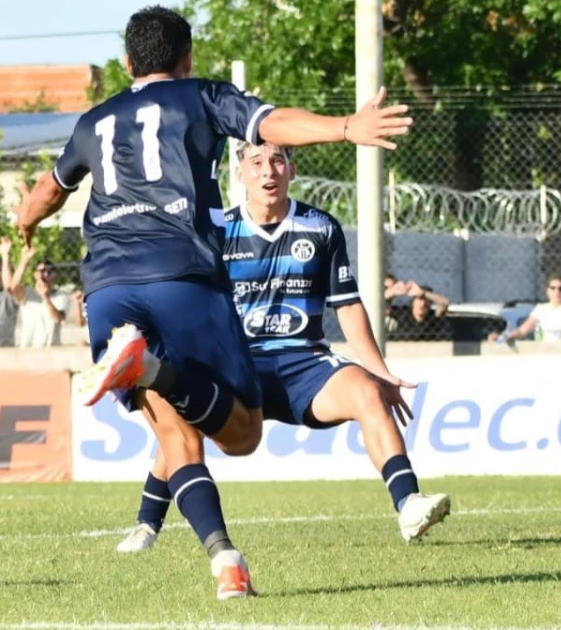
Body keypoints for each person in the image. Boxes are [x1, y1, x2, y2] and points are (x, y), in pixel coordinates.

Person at [13, 5, 412, 599]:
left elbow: (49, 190)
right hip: (182, 276)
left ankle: (226, 561)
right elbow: (274, 123)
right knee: (243, 435)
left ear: (126, 63)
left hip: (108, 290)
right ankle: (151, 370)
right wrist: (346, 127)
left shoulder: (93, 122)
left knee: (176, 438)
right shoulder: (200, 96)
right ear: (188, 57)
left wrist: (24, 221)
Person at [115, 141, 449, 555]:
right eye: (256, 162)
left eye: (277, 160)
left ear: (292, 169)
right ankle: (147, 524)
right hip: (238, 365)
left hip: (305, 364)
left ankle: (409, 503)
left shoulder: (321, 227)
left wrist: (381, 372)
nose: (268, 171)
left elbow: (347, 306)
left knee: (367, 391)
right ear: (240, 173)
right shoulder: (217, 233)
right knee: (186, 420)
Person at [496, 275, 561, 343]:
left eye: (560, 289)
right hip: (544, 352)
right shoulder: (541, 309)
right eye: (553, 288)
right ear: (547, 291)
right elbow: (522, 331)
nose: (557, 292)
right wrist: (502, 337)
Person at [19, 258, 70, 348]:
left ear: (54, 275)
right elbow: (12, 287)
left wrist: (45, 297)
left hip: (51, 349)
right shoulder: (28, 294)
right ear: (35, 274)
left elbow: (58, 318)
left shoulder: (61, 296)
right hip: (28, 348)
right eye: (42, 271)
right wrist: (24, 261)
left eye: (49, 272)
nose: (45, 274)